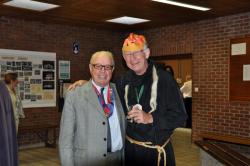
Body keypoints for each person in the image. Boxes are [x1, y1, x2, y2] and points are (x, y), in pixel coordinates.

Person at [69, 33, 187, 166]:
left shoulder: (165, 80)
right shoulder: (122, 81)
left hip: (155, 154)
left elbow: (181, 117)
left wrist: (151, 118)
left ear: (146, 53)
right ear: (124, 58)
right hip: (130, 153)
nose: (133, 58)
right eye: (127, 54)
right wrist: (88, 84)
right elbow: (105, 88)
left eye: (137, 53)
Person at [59, 51, 125, 166]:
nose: (103, 71)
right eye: (98, 66)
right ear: (90, 68)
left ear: (113, 69)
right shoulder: (75, 94)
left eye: (107, 67)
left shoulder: (120, 91)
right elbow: (66, 140)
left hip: (118, 159)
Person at [0, 80, 19, 166]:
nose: (17, 82)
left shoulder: (5, 90)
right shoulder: (5, 90)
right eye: (16, 80)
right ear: (12, 81)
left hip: (11, 118)